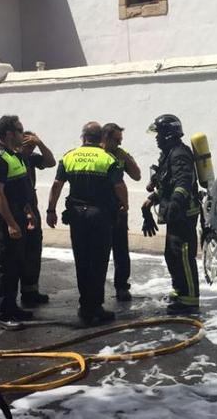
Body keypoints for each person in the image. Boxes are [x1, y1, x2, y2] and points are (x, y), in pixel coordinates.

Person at [46, 122, 128, 325]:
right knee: (98, 262)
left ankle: (85, 306)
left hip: (77, 217)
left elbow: (57, 185)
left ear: (83, 137)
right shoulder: (107, 159)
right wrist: (125, 205)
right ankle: (96, 307)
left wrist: (51, 210)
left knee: (82, 261)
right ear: (101, 139)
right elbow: (119, 185)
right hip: (100, 216)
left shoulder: (69, 156)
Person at [144, 114, 201, 315]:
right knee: (172, 254)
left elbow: (183, 182)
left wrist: (175, 204)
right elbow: (167, 184)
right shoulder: (169, 153)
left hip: (184, 213)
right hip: (173, 213)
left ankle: (191, 299)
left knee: (184, 255)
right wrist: (153, 198)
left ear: (168, 134)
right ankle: (180, 291)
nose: (156, 138)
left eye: (158, 134)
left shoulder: (179, 154)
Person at [0, 115, 35, 330]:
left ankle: (12, 307)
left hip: (19, 217)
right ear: (8, 134)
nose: (22, 134)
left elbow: (19, 191)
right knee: (5, 266)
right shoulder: (0, 160)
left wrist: (28, 213)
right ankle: (4, 313)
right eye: (19, 130)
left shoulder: (15, 157)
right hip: (6, 221)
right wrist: (11, 223)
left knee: (15, 264)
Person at [101, 123, 141, 301]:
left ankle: (122, 287)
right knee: (99, 251)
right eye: (116, 140)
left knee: (121, 251)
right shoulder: (97, 155)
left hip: (117, 210)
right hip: (100, 209)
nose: (119, 143)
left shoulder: (120, 154)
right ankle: (96, 288)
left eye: (120, 140)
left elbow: (137, 175)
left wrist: (126, 157)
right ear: (105, 138)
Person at [17, 130, 56, 306]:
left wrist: (40, 143)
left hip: (32, 208)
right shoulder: (12, 159)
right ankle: (9, 301)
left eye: (33, 146)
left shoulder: (30, 158)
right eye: (28, 146)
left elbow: (50, 162)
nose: (31, 149)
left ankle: (30, 291)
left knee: (33, 250)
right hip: (18, 210)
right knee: (17, 254)